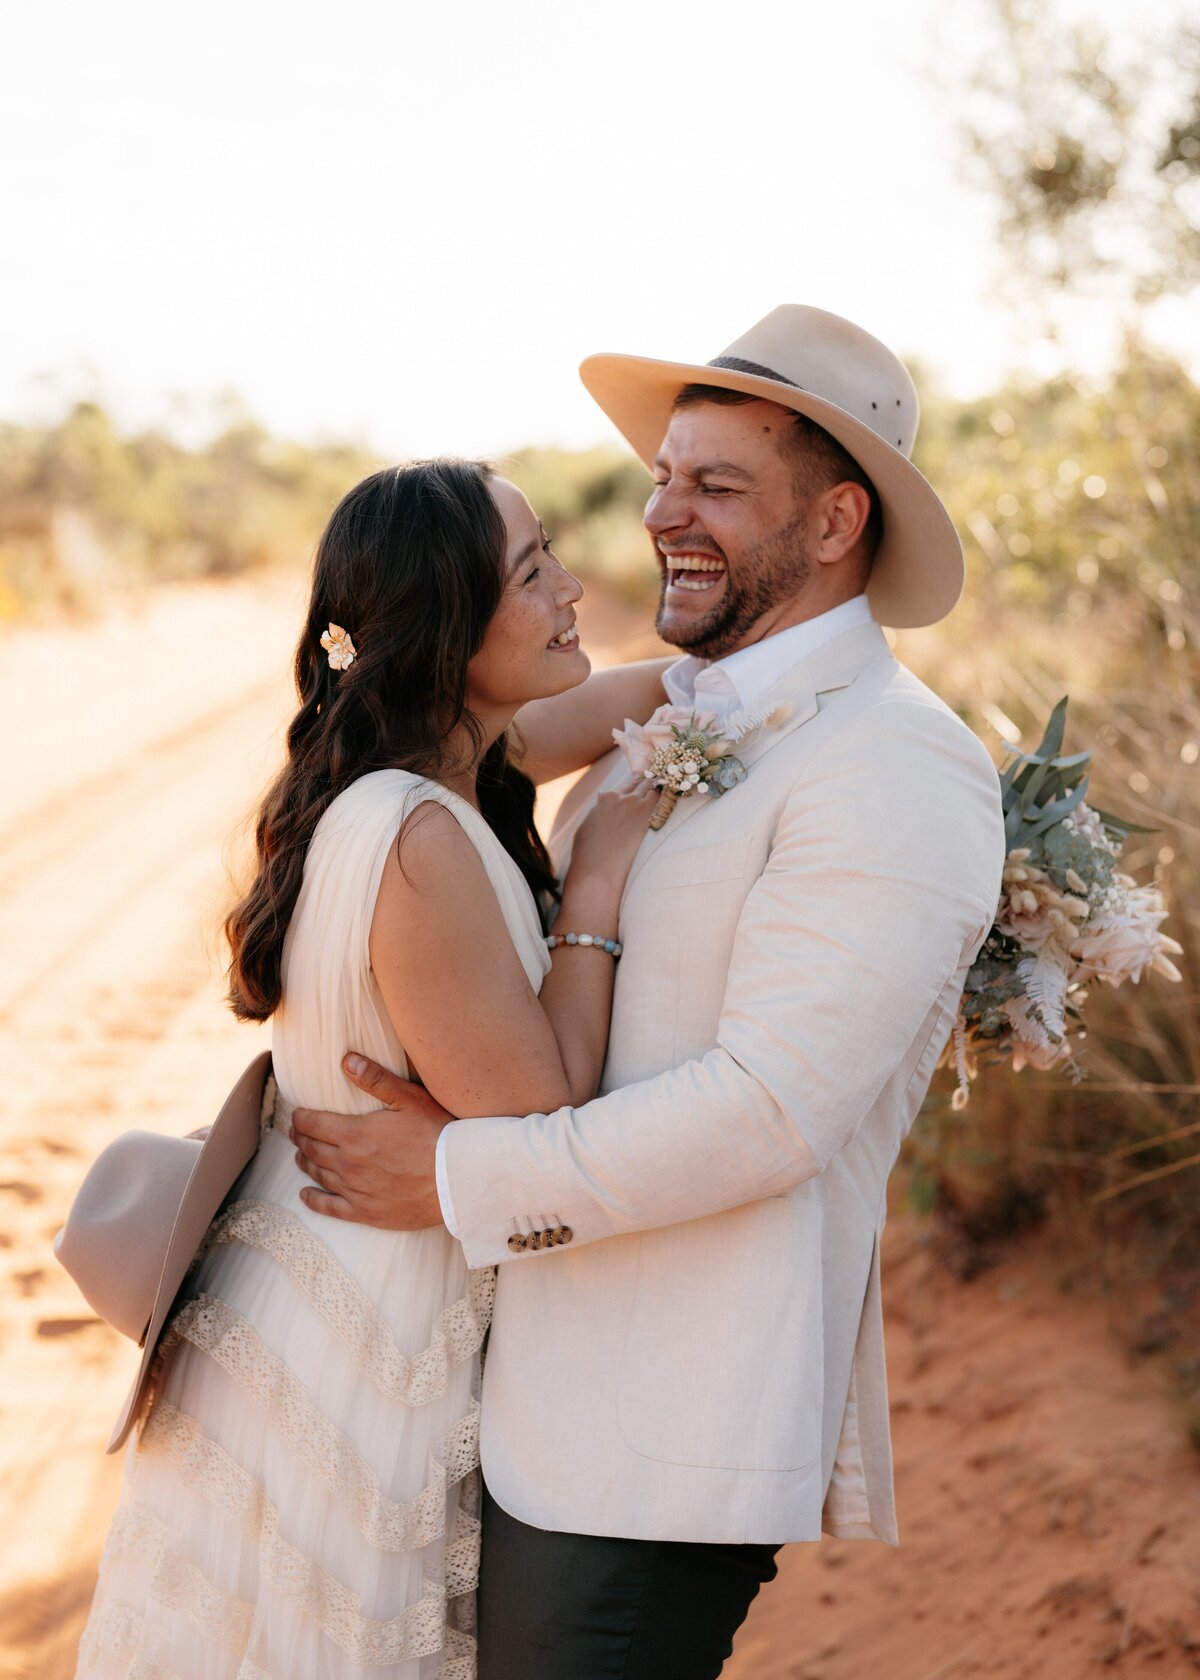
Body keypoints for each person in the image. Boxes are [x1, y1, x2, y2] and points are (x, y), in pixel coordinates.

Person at [290, 306, 1009, 1679]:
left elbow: (768, 1113)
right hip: (511, 1398)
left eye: (716, 487)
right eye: (664, 476)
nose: (659, 513)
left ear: (838, 521)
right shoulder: (680, 707)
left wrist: (457, 1177)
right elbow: (445, 731)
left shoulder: (896, 766)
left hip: (653, 1431)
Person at [74, 458, 667, 1679]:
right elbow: (540, 1101)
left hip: (320, 1291)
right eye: (532, 571)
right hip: (357, 1332)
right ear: (450, 628)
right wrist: (595, 885)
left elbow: (605, 702)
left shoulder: (424, 766)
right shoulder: (420, 837)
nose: (572, 588)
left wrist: (767, 680)